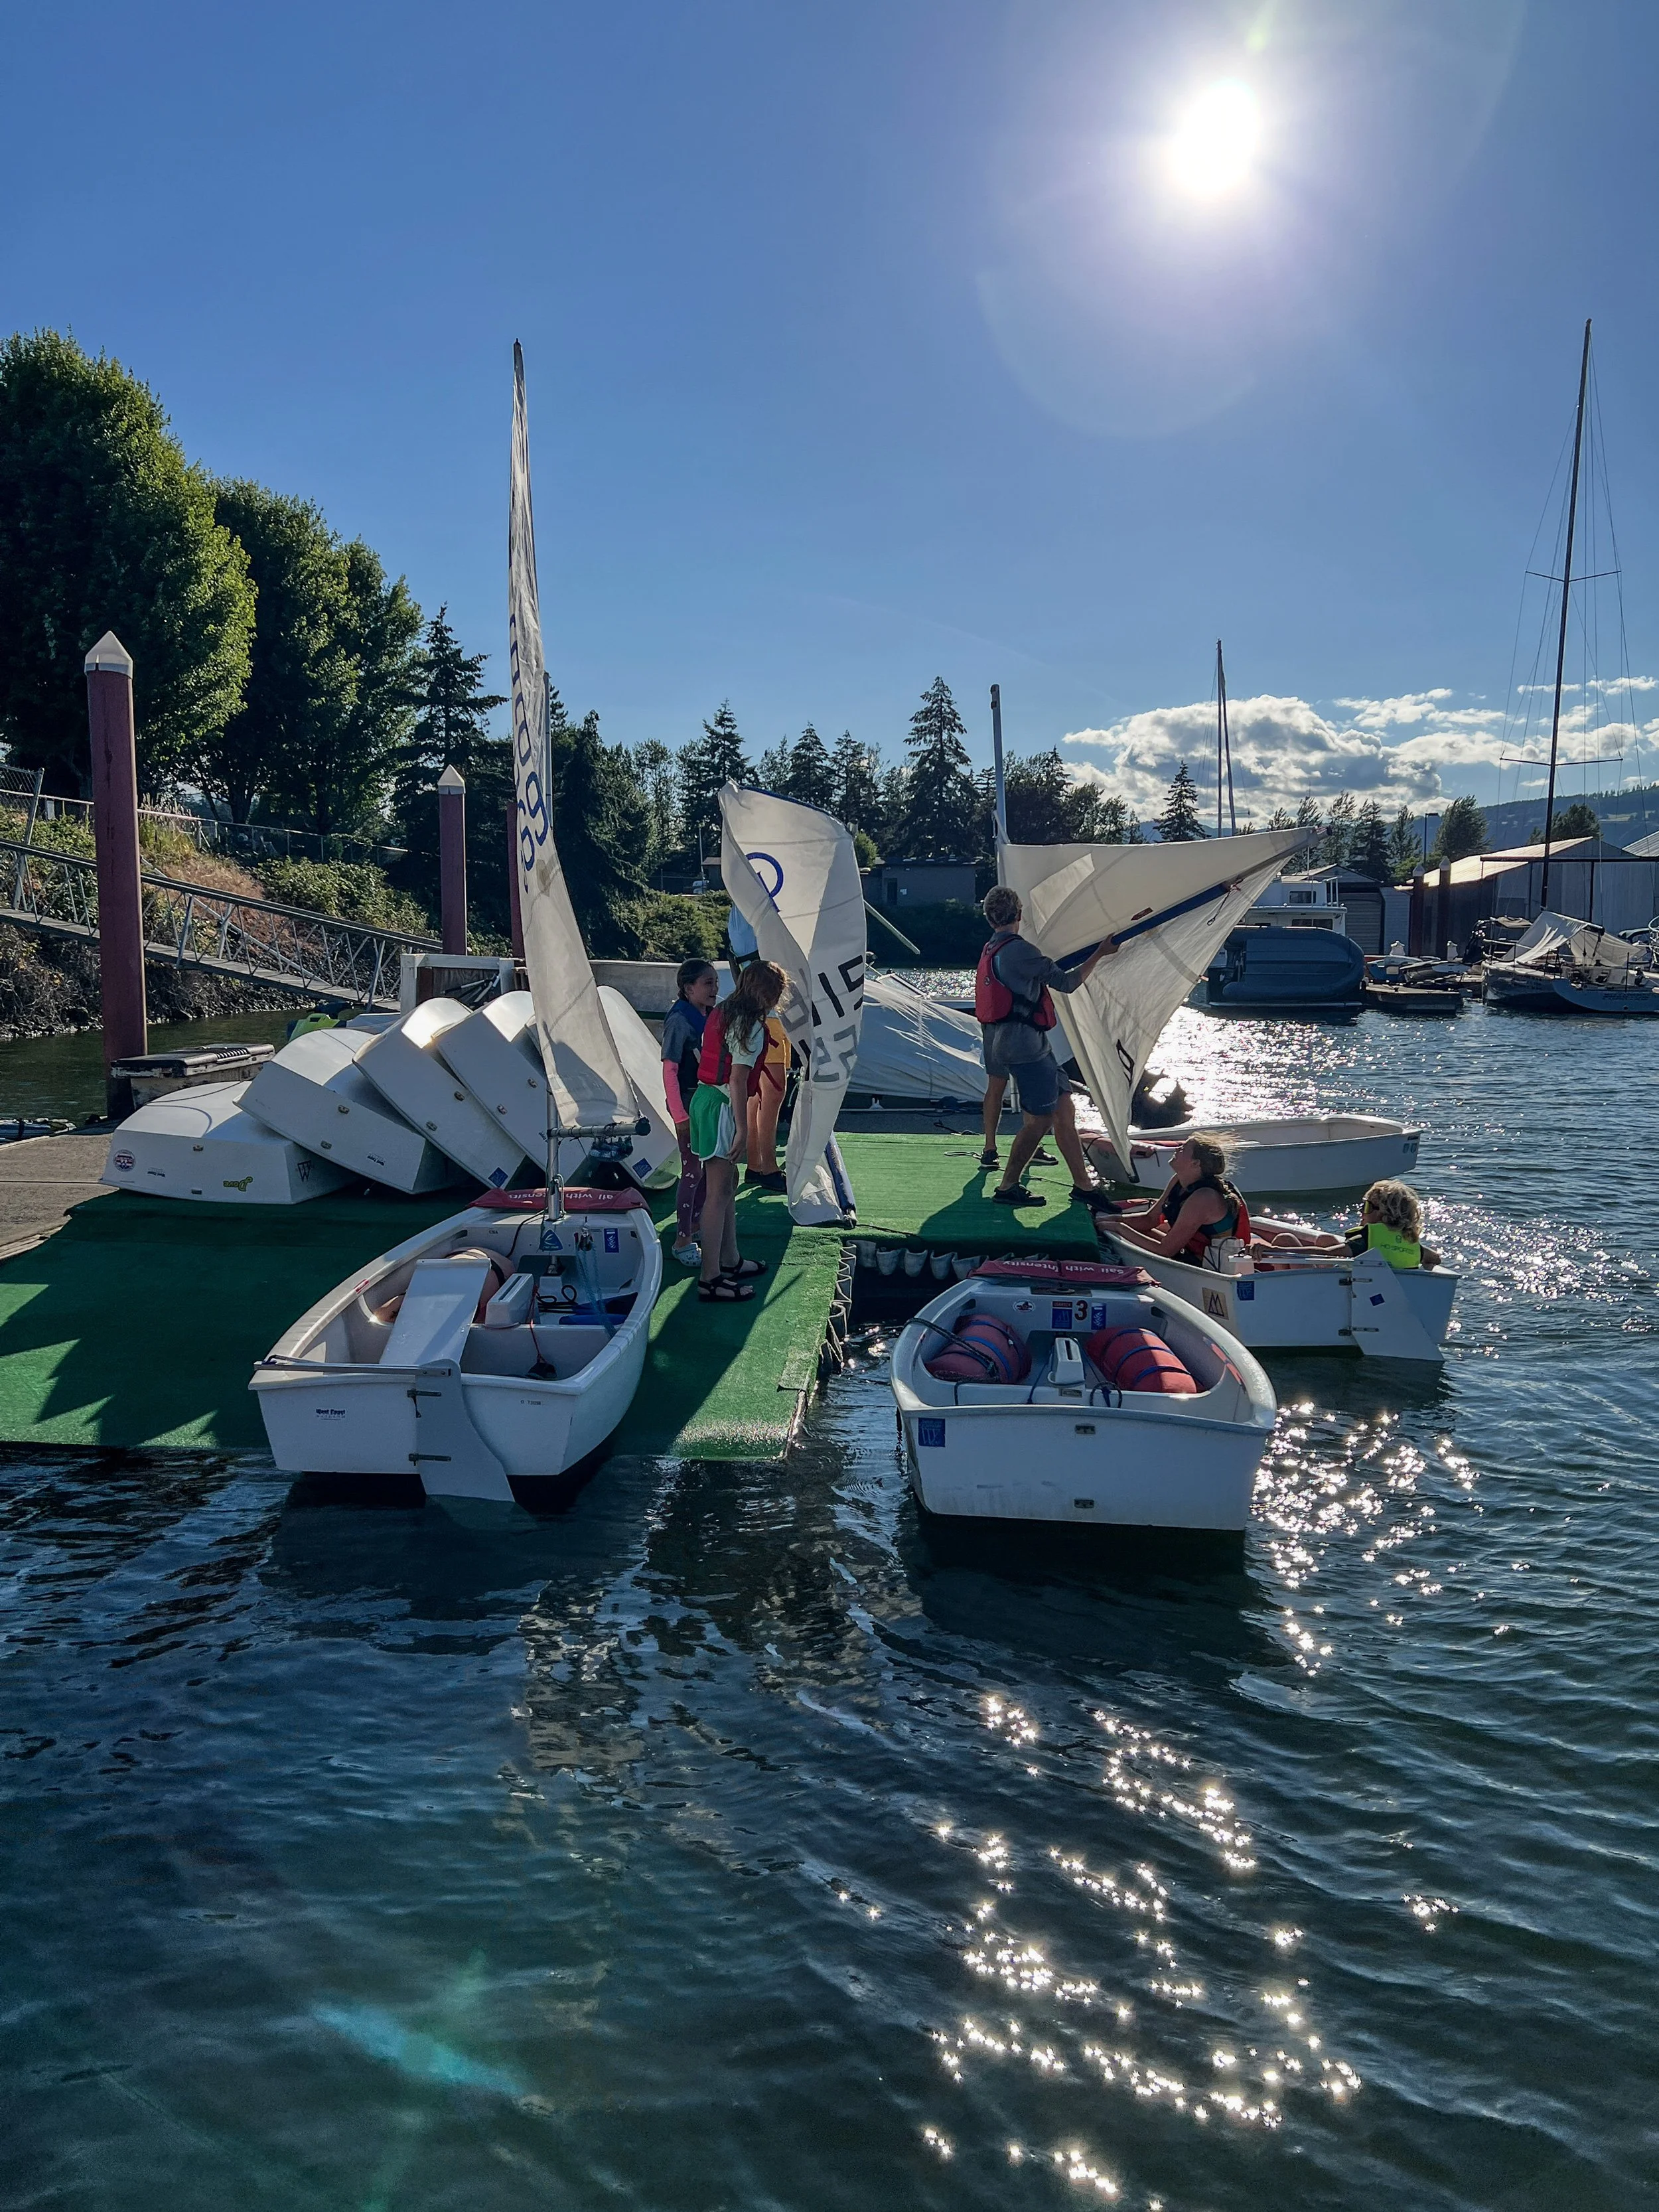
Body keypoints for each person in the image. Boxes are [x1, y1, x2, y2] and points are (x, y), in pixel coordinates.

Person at [974, 885, 1118, 1210]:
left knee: (1065, 1110)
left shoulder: (991, 949)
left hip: (1013, 1042)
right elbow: (1066, 983)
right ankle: (1008, 1185)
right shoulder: (1020, 951)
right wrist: (1100, 953)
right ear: (1020, 915)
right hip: (1025, 1047)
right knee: (1039, 1121)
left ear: (989, 919)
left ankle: (1083, 1186)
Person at [688, 959, 788, 1301]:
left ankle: (729, 1259)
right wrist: (743, 1130)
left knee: (727, 1183)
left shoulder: (724, 1011)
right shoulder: (752, 1025)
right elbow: (738, 1078)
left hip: (705, 1099)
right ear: (772, 994)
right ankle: (710, 1278)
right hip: (720, 1107)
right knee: (717, 1192)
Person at [661, 958, 719, 1268]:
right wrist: (678, 1113)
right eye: (708, 983)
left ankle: (697, 1223)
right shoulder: (679, 1020)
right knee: (692, 1170)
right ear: (688, 988)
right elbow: (670, 1069)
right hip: (688, 1103)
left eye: (716, 982)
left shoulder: (709, 1014)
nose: (715, 988)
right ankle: (682, 1237)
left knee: (709, 1169)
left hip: (707, 1102)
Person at [1113, 1133, 1250, 1261]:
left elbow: (1166, 1250)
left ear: (1196, 1163)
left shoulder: (1204, 1198)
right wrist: (1108, 1219)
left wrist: (1118, 1227)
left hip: (1211, 1263)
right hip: (1187, 1249)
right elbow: (1149, 1219)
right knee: (1129, 1228)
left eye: (1183, 1149)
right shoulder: (1179, 1180)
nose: (1177, 1149)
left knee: (1121, 1231)